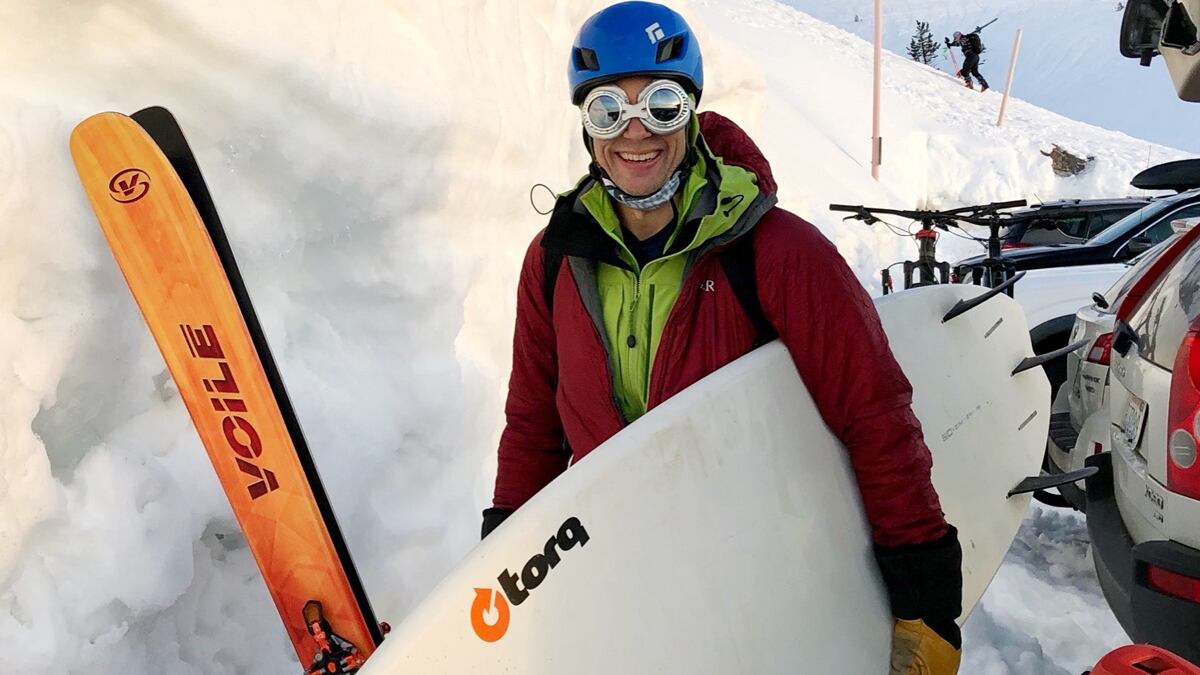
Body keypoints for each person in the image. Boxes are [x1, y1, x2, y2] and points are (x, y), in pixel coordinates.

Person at [485, 3, 963, 673]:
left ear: (690, 109)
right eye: (607, 109)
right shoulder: (553, 261)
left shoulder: (779, 253)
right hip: (624, 586)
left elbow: (873, 415)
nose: (635, 131)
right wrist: (504, 566)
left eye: (660, 104)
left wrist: (924, 596)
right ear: (586, 125)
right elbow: (534, 427)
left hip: (759, 589)